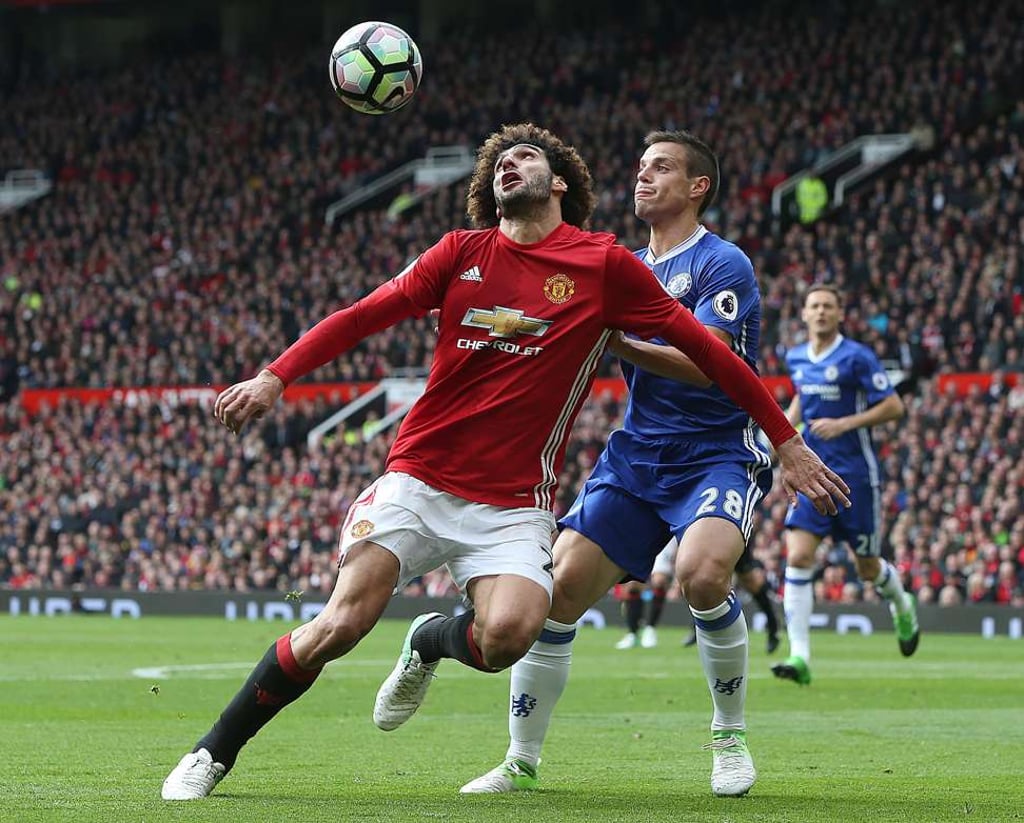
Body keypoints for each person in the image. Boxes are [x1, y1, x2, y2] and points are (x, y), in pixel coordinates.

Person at [161, 122, 846, 801]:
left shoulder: (607, 266)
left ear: (561, 183)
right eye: (499, 163)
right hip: (419, 477)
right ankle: (212, 750)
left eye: (525, 157)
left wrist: (784, 440)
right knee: (339, 626)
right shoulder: (460, 252)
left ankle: (435, 639)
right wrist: (276, 376)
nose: (508, 166)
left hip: (515, 502)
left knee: (512, 634)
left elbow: (714, 353)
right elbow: (363, 314)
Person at [384, 129, 846, 800]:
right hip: (636, 456)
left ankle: (729, 734)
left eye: (660, 168)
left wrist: (615, 336)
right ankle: (520, 758)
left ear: (697, 187)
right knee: (560, 591)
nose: (642, 177)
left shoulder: (723, 263)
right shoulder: (618, 265)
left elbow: (708, 365)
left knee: (703, 573)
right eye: (638, 166)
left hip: (716, 453)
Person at [771, 284, 918, 687]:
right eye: (814, 306)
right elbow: (801, 402)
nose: (820, 312)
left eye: (827, 306)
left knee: (866, 568)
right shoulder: (797, 357)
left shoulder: (857, 356)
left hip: (854, 476)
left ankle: (902, 604)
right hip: (810, 472)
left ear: (839, 314)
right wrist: (777, 442)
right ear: (803, 314)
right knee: (798, 556)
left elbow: (893, 406)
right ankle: (799, 656)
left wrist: (844, 424)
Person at [680, 539, 781, 654]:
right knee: (709, 578)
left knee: (750, 582)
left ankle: (773, 627)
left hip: (734, 530)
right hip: (712, 534)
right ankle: (697, 629)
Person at [613, 541, 675, 650]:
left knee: (659, 581)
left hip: (664, 534)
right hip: (641, 535)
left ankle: (650, 629)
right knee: (633, 585)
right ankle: (632, 633)